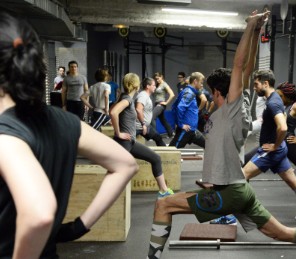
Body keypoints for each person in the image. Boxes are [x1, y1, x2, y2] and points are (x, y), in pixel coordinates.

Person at [147, 11, 296, 259]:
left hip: (230, 193)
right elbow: (247, 68)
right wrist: (257, 32)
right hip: (239, 190)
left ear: (216, 92)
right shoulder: (238, 108)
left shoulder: (231, 111)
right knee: (280, 233)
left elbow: (239, 66)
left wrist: (249, 26)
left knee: (164, 204)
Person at [0, 10, 138, 258]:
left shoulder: (6, 136)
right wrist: (78, 227)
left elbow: (39, 214)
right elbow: (125, 164)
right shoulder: (64, 122)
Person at [242, 70, 296, 224]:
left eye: (256, 84)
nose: (254, 88)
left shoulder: (273, 102)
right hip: (279, 149)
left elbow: (283, 128)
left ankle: (239, 214)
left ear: (266, 83)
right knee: (293, 181)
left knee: (241, 176)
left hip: (272, 151)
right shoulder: (274, 100)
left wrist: (275, 146)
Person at [110, 72, 173, 197]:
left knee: (155, 158)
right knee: (121, 171)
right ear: (135, 85)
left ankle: (163, 190)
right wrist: (118, 133)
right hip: (124, 142)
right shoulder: (127, 99)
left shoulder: (126, 97)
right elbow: (113, 113)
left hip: (130, 142)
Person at [169, 72, 206, 148]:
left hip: (193, 130)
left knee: (208, 145)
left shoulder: (191, 92)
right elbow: (180, 107)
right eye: (201, 82)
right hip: (186, 130)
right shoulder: (189, 93)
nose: (202, 85)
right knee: (172, 150)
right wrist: (181, 124)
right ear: (195, 81)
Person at [135, 77, 166, 146]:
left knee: (158, 138)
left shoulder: (146, 96)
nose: (155, 87)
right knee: (127, 143)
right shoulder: (143, 95)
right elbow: (138, 109)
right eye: (154, 85)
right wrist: (143, 124)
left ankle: (163, 156)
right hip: (138, 127)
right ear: (148, 86)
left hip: (145, 126)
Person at [151, 72, 175, 137]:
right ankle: (171, 133)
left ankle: (153, 135)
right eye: (156, 79)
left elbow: (172, 94)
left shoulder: (164, 84)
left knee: (152, 117)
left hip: (161, 105)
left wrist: (166, 102)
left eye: (158, 78)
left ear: (161, 77)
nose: (157, 80)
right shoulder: (157, 85)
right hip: (156, 104)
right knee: (163, 120)